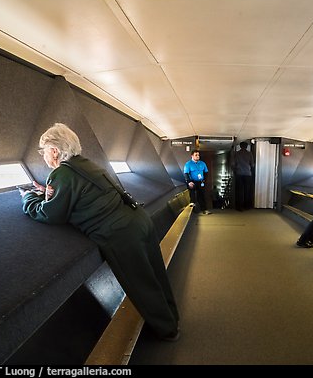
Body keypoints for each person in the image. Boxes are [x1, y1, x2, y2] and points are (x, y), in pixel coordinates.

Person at [19, 123, 180, 341]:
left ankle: (168, 331)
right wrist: (44, 193)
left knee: (141, 285)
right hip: (137, 219)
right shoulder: (86, 164)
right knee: (156, 275)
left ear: (54, 150)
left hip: (120, 234)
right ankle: (172, 317)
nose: (43, 155)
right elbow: (72, 194)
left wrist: (28, 197)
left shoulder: (61, 174)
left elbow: (49, 214)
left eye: (44, 150)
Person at [184, 150, 211, 214]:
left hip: (200, 181)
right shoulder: (188, 164)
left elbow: (206, 172)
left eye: (198, 155)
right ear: (192, 156)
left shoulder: (202, 163)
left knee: (201, 196)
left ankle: (204, 210)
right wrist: (189, 182)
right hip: (192, 181)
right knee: (192, 195)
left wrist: (205, 180)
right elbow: (186, 173)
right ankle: (192, 210)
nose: (198, 156)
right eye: (196, 155)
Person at [231, 141, 255, 211]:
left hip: (239, 173)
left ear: (240, 146)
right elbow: (252, 164)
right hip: (248, 174)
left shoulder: (237, 154)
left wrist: (235, 170)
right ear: (247, 146)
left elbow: (233, 164)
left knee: (239, 191)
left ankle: (239, 207)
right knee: (247, 191)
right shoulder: (249, 154)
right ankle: (247, 206)